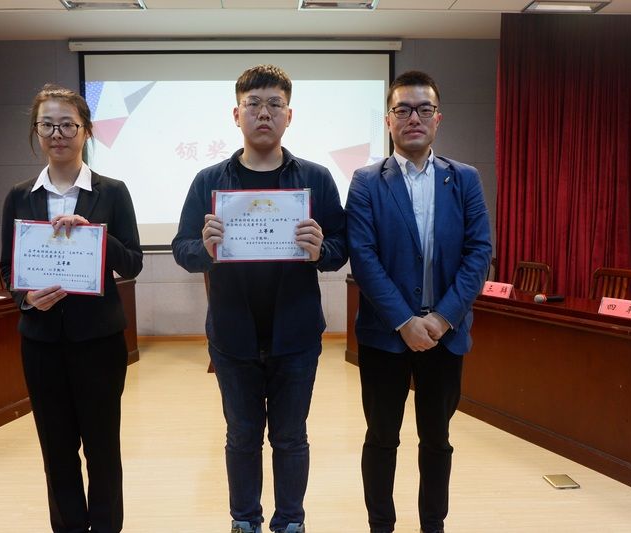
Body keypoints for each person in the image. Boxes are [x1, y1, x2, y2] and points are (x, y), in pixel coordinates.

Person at [172, 64, 347, 533]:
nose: (263, 113)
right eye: (253, 104)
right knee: (242, 438)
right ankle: (244, 520)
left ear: (289, 115)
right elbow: (182, 249)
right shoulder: (209, 180)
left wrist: (321, 249)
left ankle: (290, 522)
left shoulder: (315, 179)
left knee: (291, 438)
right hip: (233, 337)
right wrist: (205, 249)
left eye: (274, 104)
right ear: (236, 114)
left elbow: (341, 246)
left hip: (297, 335)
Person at [345, 71, 492, 533]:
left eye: (424, 109)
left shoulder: (463, 179)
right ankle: (381, 525)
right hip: (385, 336)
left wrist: (443, 318)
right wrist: (405, 321)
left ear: (437, 118)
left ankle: (433, 524)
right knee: (381, 438)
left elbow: (479, 252)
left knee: (437, 439)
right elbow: (363, 257)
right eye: (403, 109)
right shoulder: (366, 181)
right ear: (388, 120)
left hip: (445, 337)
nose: (414, 118)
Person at [0, 84, 143, 533]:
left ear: (86, 131)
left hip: (98, 341)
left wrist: (95, 234)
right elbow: (7, 270)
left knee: (102, 449)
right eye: (47, 125)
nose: (57, 134)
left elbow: (132, 263)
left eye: (67, 125)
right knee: (56, 451)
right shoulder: (19, 195)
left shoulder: (112, 192)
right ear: (36, 131)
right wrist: (25, 298)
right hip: (41, 343)